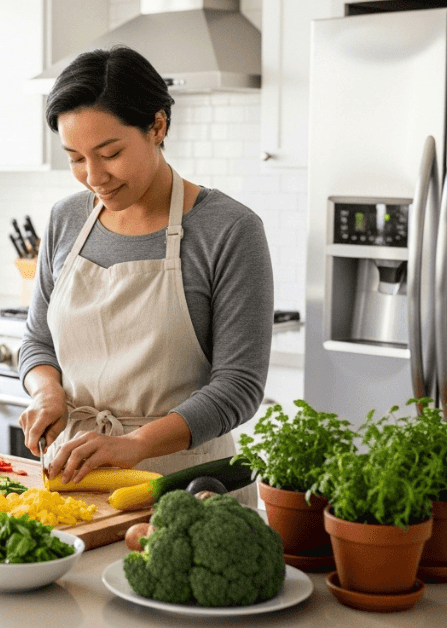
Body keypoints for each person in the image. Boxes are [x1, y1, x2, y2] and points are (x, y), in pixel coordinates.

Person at [17, 46, 273, 505]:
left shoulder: (229, 230)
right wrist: (47, 392)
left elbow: (239, 386)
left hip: (188, 487)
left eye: (110, 153)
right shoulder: (66, 219)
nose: (93, 176)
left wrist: (134, 446)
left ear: (157, 127)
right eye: (75, 158)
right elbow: (37, 342)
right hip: (73, 476)